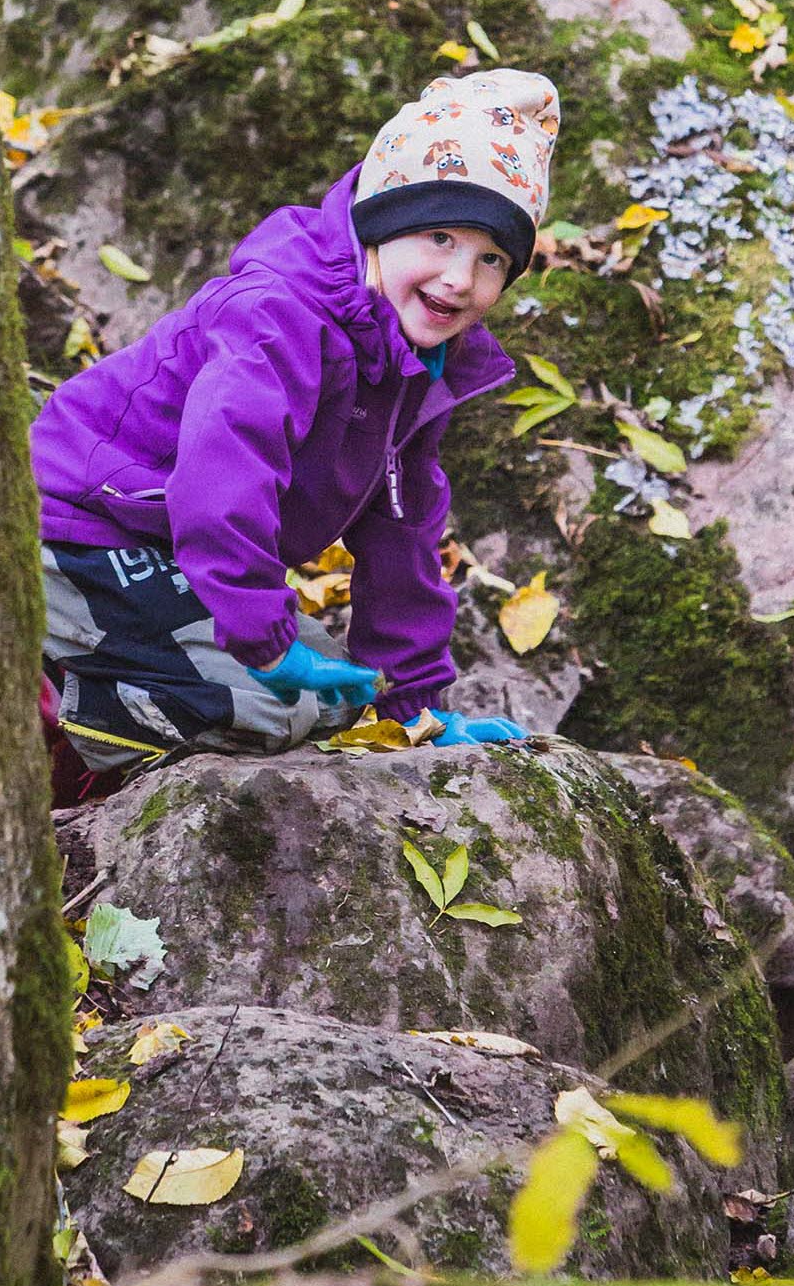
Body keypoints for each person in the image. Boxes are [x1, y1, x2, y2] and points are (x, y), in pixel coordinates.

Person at [30, 68, 558, 785]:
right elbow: (223, 477)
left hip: (181, 553)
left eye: (491, 258)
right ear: (381, 221)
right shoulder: (278, 314)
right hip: (81, 527)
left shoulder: (416, 361)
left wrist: (413, 711)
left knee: (338, 702)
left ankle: (135, 663)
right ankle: (59, 702)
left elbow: (402, 531)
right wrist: (260, 636)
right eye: (439, 236)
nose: (461, 278)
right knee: (262, 711)